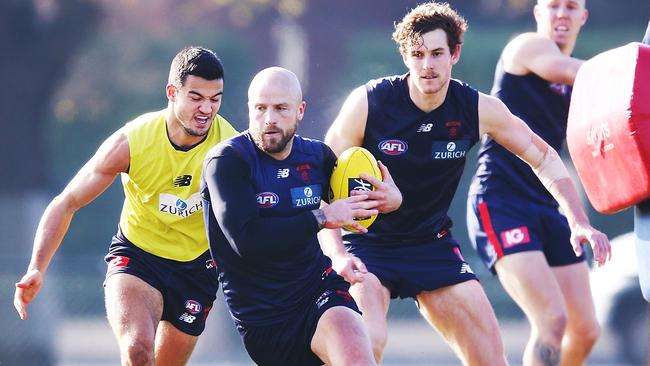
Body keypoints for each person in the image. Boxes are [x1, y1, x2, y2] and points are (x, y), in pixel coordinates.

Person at [322, 2, 611, 366]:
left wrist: (578, 220)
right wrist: (338, 254)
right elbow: (320, 177)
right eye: (418, 54)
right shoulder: (370, 102)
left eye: (437, 53)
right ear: (405, 56)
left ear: (455, 54)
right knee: (367, 343)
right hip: (367, 244)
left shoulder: (475, 108)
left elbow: (544, 157)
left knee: (492, 360)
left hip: (431, 244)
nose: (427, 65)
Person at [14, 46, 238, 366]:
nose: (206, 109)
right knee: (137, 351)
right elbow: (67, 202)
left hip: (196, 267)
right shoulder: (133, 142)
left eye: (215, 98)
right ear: (172, 93)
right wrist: (36, 267)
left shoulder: (230, 148)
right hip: (138, 258)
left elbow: (252, 218)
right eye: (196, 97)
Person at [201, 67, 380, 366]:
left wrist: (392, 200)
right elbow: (247, 241)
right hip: (265, 318)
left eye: (281, 108)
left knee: (358, 358)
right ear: (249, 109)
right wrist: (320, 217)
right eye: (260, 108)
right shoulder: (228, 162)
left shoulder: (317, 157)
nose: (269, 118)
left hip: (318, 289)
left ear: (300, 110)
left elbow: (353, 210)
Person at [466, 1, 613, 365]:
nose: (561, 14)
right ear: (537, 13)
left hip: (546, 205)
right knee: (551, 320)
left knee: (585, 329)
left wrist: (580, 216)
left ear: (583, 16)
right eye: (553, 6)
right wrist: (636, 66)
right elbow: (568, 70)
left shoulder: (577, 87)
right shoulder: (528, 47)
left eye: (571, 6)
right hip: (501, 202)